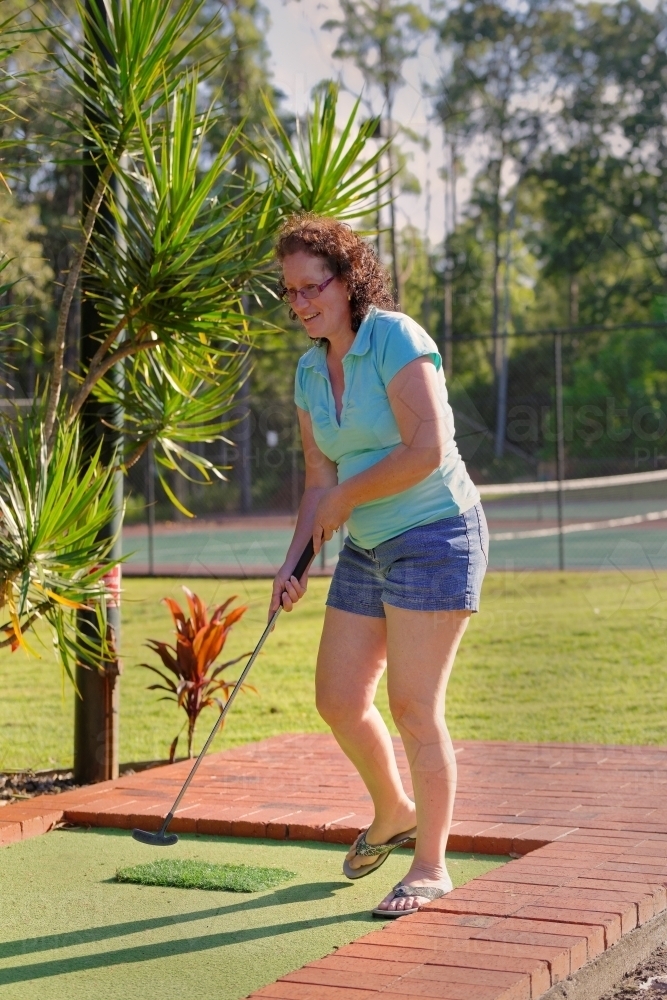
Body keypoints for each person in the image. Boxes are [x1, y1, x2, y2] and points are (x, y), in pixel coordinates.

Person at [269, 214, 488, 918]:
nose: (301, 303)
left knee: (413, 707)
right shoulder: (308, 370)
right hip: (366, 543)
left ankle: (429, 866)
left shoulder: (395, 337)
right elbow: (316, 479)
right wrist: (296, 559)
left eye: (312, 287)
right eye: (289, 293)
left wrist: (343, 498)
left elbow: (425, 450)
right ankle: (393, 808)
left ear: (348, 278)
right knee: (336, 698)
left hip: (434, 533)